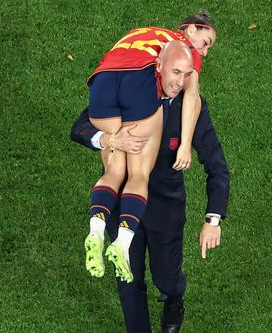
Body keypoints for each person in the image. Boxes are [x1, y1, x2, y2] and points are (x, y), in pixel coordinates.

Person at [71, 87, 229, 332]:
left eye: (185, 74)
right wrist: (110, 139)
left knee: (167, 278)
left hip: (165, 210)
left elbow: (216, 164)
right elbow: (80, 128)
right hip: (123, 205)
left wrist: (213, 219)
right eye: (175, 72)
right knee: (128, 281)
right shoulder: (125, 93)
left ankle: (174, 298)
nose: (179, 81)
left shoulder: (190, 106)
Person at [85, 12, 217, 282]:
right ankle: (121, 245)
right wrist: (185, 145)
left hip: (101, 80)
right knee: (138, 174)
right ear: (191, 29)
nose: (204, 51)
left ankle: (95, 230)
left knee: (115, 166)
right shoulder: (183, 50)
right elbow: (192, 96)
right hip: (138, 82)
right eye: (206, 42)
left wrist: (110, 139)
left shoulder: (147, 32)